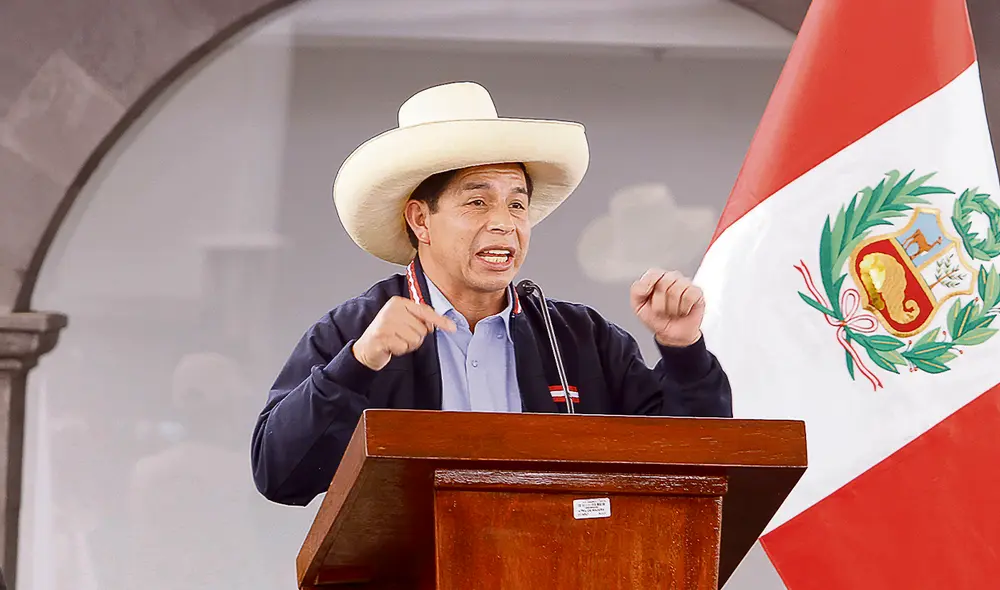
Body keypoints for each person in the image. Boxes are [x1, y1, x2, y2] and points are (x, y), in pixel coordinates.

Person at [251, 82, 732, 506]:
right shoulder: (356, 332)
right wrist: (357, 362)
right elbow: (278, 475)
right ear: (421, 220)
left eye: (517, 203)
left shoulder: (580, 337)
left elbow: (698, 466)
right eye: (478, 201)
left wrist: (683, 349)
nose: (504, 222)